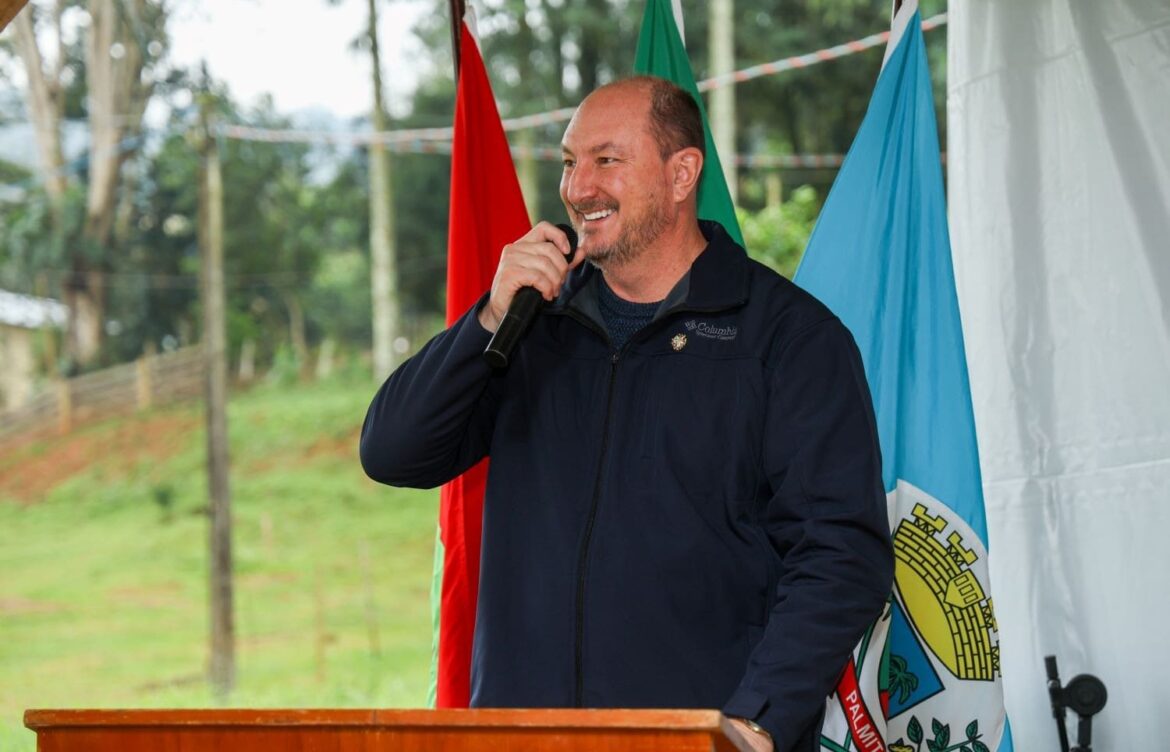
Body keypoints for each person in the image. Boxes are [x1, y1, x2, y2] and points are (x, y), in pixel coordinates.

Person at [360, 75, 892, 752]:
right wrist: (490, 316)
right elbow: (393, 452)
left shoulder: (790, 341)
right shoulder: (530, 327)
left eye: (606, 160)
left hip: (697, 742)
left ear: (681, 174)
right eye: (569, 162)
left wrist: (756, 721)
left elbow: (842, 555)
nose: (578, 188)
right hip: (524, 739)